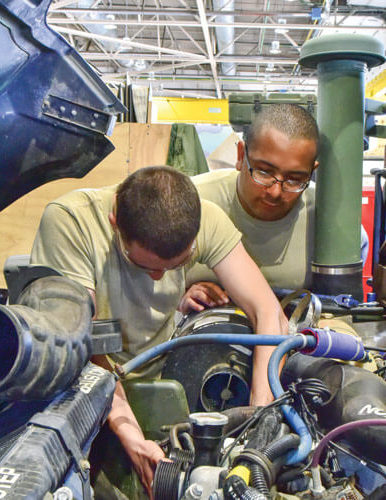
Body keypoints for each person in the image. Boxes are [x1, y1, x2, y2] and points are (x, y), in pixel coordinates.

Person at [30, 166, 288, 495]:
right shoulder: (72, 223)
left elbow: (268, 313)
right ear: (114, 224)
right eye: (146, 266)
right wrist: (133, 439)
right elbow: (82, 347)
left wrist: (259, 418)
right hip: (89, 383)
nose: (158, 278)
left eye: (177, 265)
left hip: (163, 377)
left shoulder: (205, 217)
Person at [181, 103, 366, 313]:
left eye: (295, 180)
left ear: (311, 171)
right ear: (241, 156)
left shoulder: (329, 224)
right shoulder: (190, 203)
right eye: (264, 172)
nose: (275, 192)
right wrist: (178, 297)